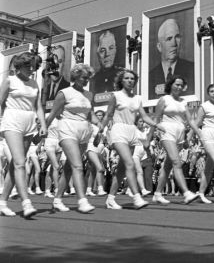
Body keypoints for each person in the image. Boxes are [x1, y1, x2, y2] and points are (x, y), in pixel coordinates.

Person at [100, 69, 163, 209]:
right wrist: (100, 129)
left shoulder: (138, 98)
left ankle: (110, 199)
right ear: (121, 81)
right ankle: (136, 197)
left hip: (132, 132)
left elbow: (144, 116)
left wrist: (157, 125)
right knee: (130, 164)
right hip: (118, 130)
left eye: (132, 79)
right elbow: (108, 114)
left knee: (122, 169)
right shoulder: (115, 95)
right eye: (127, 78)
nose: (130, 81)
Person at [46, 64, 101, 213]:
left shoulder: (89, 95)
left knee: (70, 168)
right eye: (84, 78)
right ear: (75, 77)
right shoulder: (64, 93)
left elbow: (91, 115)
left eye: (88, 78)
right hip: (67, 129)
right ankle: (82, 200)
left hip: (84, 131)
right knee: (78, 166)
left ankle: (57, 200)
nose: (86, 81)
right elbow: (52, 115)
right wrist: (42, 130)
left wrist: (100, 126)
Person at [0, 52, 47, 218]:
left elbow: (39, 106)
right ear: (18, 66)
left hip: (29, 122)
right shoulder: (9, 80)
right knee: (21, 163)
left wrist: (43, 124)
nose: (31, 68)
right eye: (27, 65)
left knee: (15, 165)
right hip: (12, 120)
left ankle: (2, 202)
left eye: (32, 65)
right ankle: (26, 202)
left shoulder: (34, 84)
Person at [151, 75, 200, 205]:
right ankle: (186, 192)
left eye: (180, 85)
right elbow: (155, 119)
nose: (178, 87)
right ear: (170, 85)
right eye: (176, 84)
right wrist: (149, 137)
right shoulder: (164, 99)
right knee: (176, 162)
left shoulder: (184, 102)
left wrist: (198, 132)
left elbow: (190, 120)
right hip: (167, 131)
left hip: (180, 134)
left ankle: (157, 194)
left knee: (167, 166)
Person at [149, 19, 194, 98]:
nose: (174, 44)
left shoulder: (192, 70)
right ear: (159, 46)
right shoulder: (150, 77)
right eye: (169, 39)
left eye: (177, 37)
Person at [92, 30, 122, 94]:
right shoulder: (93, 79)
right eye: (102, 50)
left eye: (111, 48)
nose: (107, 54)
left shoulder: (123, 76)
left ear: (115, 50)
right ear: (97, 53)